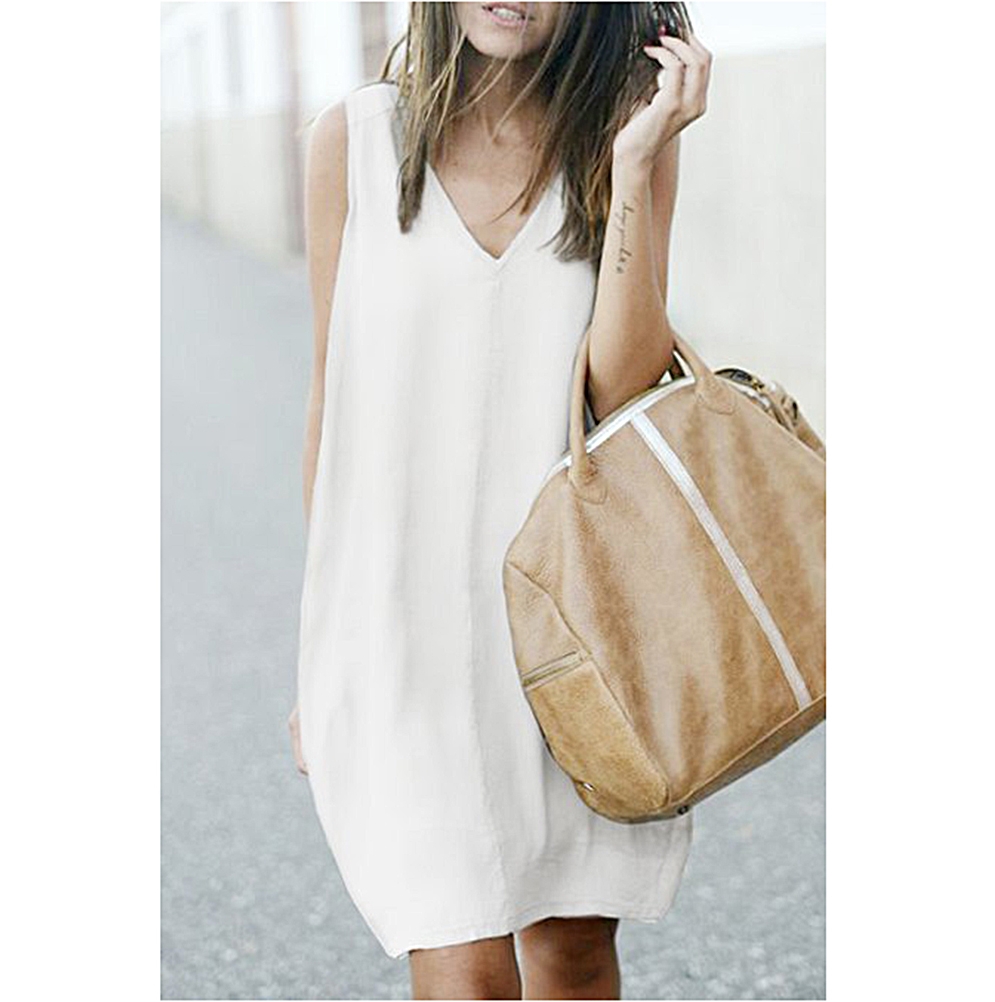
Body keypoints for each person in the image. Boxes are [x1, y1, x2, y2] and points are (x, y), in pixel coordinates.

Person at [289, 3, 712, 997]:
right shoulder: (352, 143)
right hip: (406, 632)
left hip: (574, 621)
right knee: (461, 957)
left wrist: (636, 164)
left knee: (573, 947)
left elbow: (623, 382)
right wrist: (323, 650)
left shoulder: (622, 136)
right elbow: (332, 400)